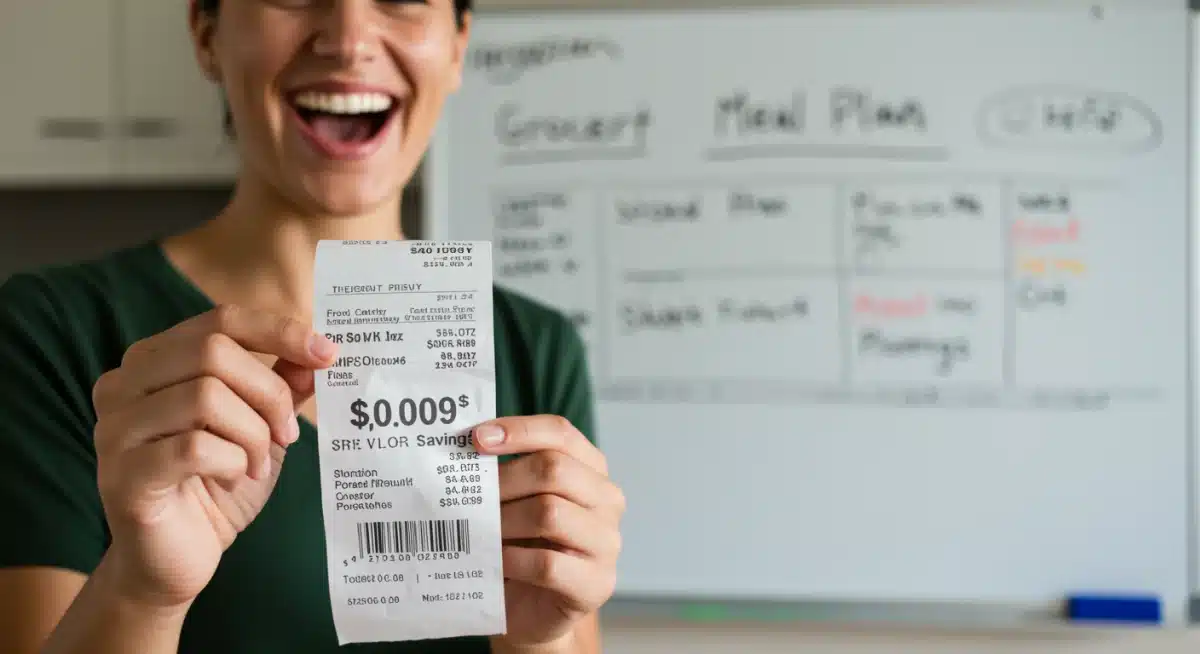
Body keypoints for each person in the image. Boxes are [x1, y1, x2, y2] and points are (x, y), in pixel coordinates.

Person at [0, 0, 624, 652]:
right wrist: (139, 591)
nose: (349, 38)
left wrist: (533, 641)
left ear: (458, 44)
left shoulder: (536, 348)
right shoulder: (57, 331)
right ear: (206, 33)